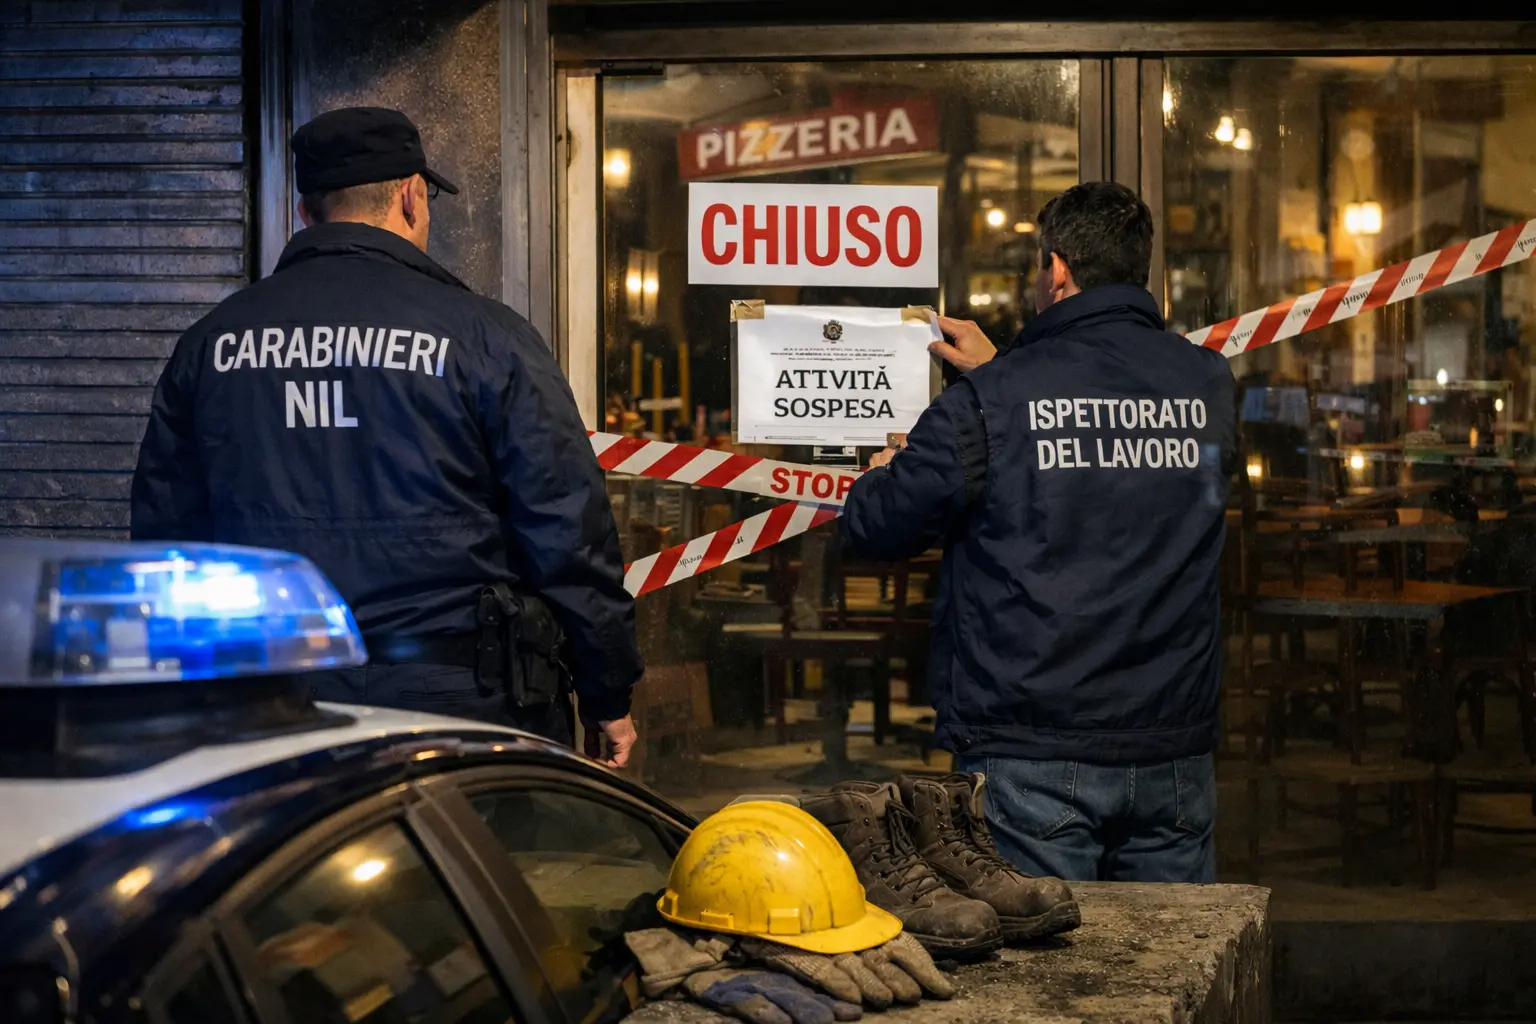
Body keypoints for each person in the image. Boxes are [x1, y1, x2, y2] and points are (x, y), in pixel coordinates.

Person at [130, 107, 642, 766]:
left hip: (269, 703)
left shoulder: (211, 343)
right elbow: (567, 528)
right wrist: (606, 688)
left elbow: (166, 539)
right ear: (410, 195)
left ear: (306, 210)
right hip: (462, 701)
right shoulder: (486, 337)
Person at [840, 181, 1237, 883]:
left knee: (1045, 948)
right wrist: (1002, 371)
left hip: (1032, 751)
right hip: (1172, 748)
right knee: (1174, 949)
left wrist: (879, 474)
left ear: (1056, 269)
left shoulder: (994, 399)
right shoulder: (1206, 383)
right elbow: (1106, 463)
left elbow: (880, 525)